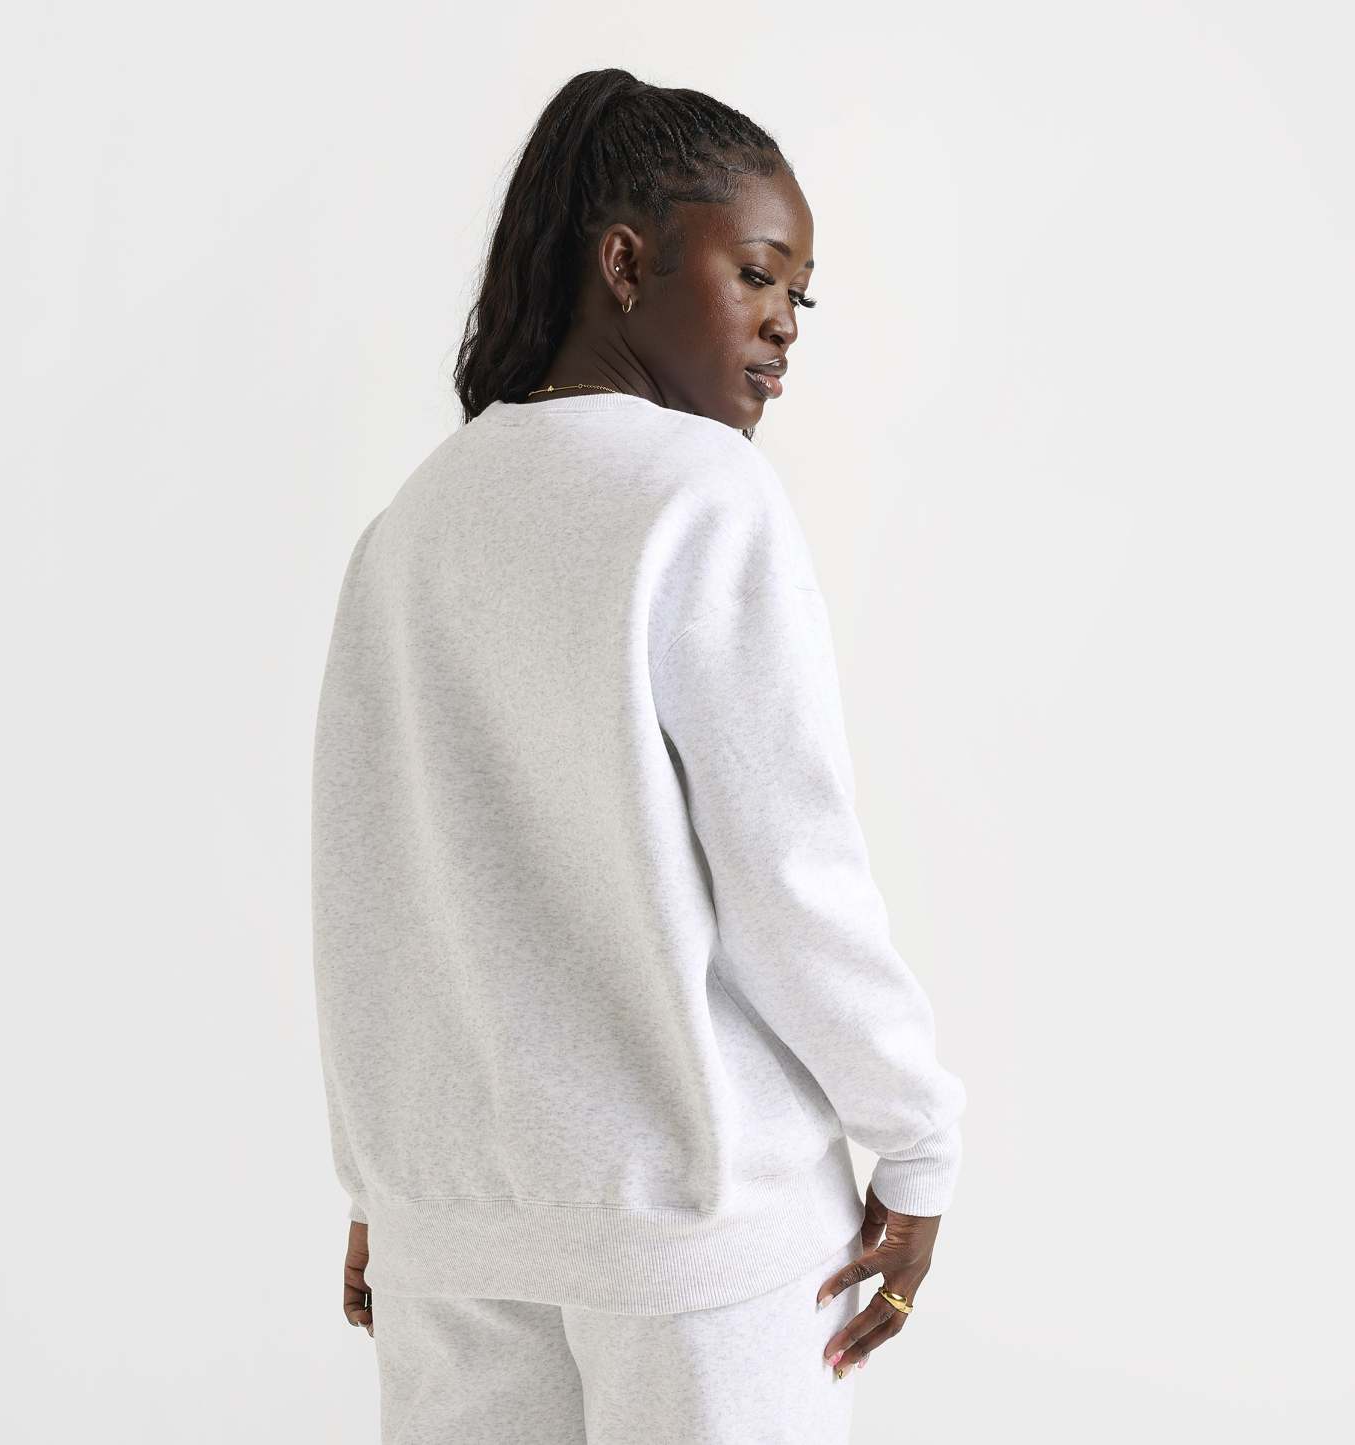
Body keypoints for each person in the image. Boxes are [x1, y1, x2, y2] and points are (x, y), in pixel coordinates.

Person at [311, 67, 967, 1444]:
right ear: (623, 264)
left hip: (456, 1241)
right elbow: (789, 872)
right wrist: (914, 1134)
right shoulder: (700, 495)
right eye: (757, 275)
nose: (783, 326)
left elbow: (372, 890)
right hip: (696, 1237)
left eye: (800, 299)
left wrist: (380, 1180)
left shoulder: (410, 527)